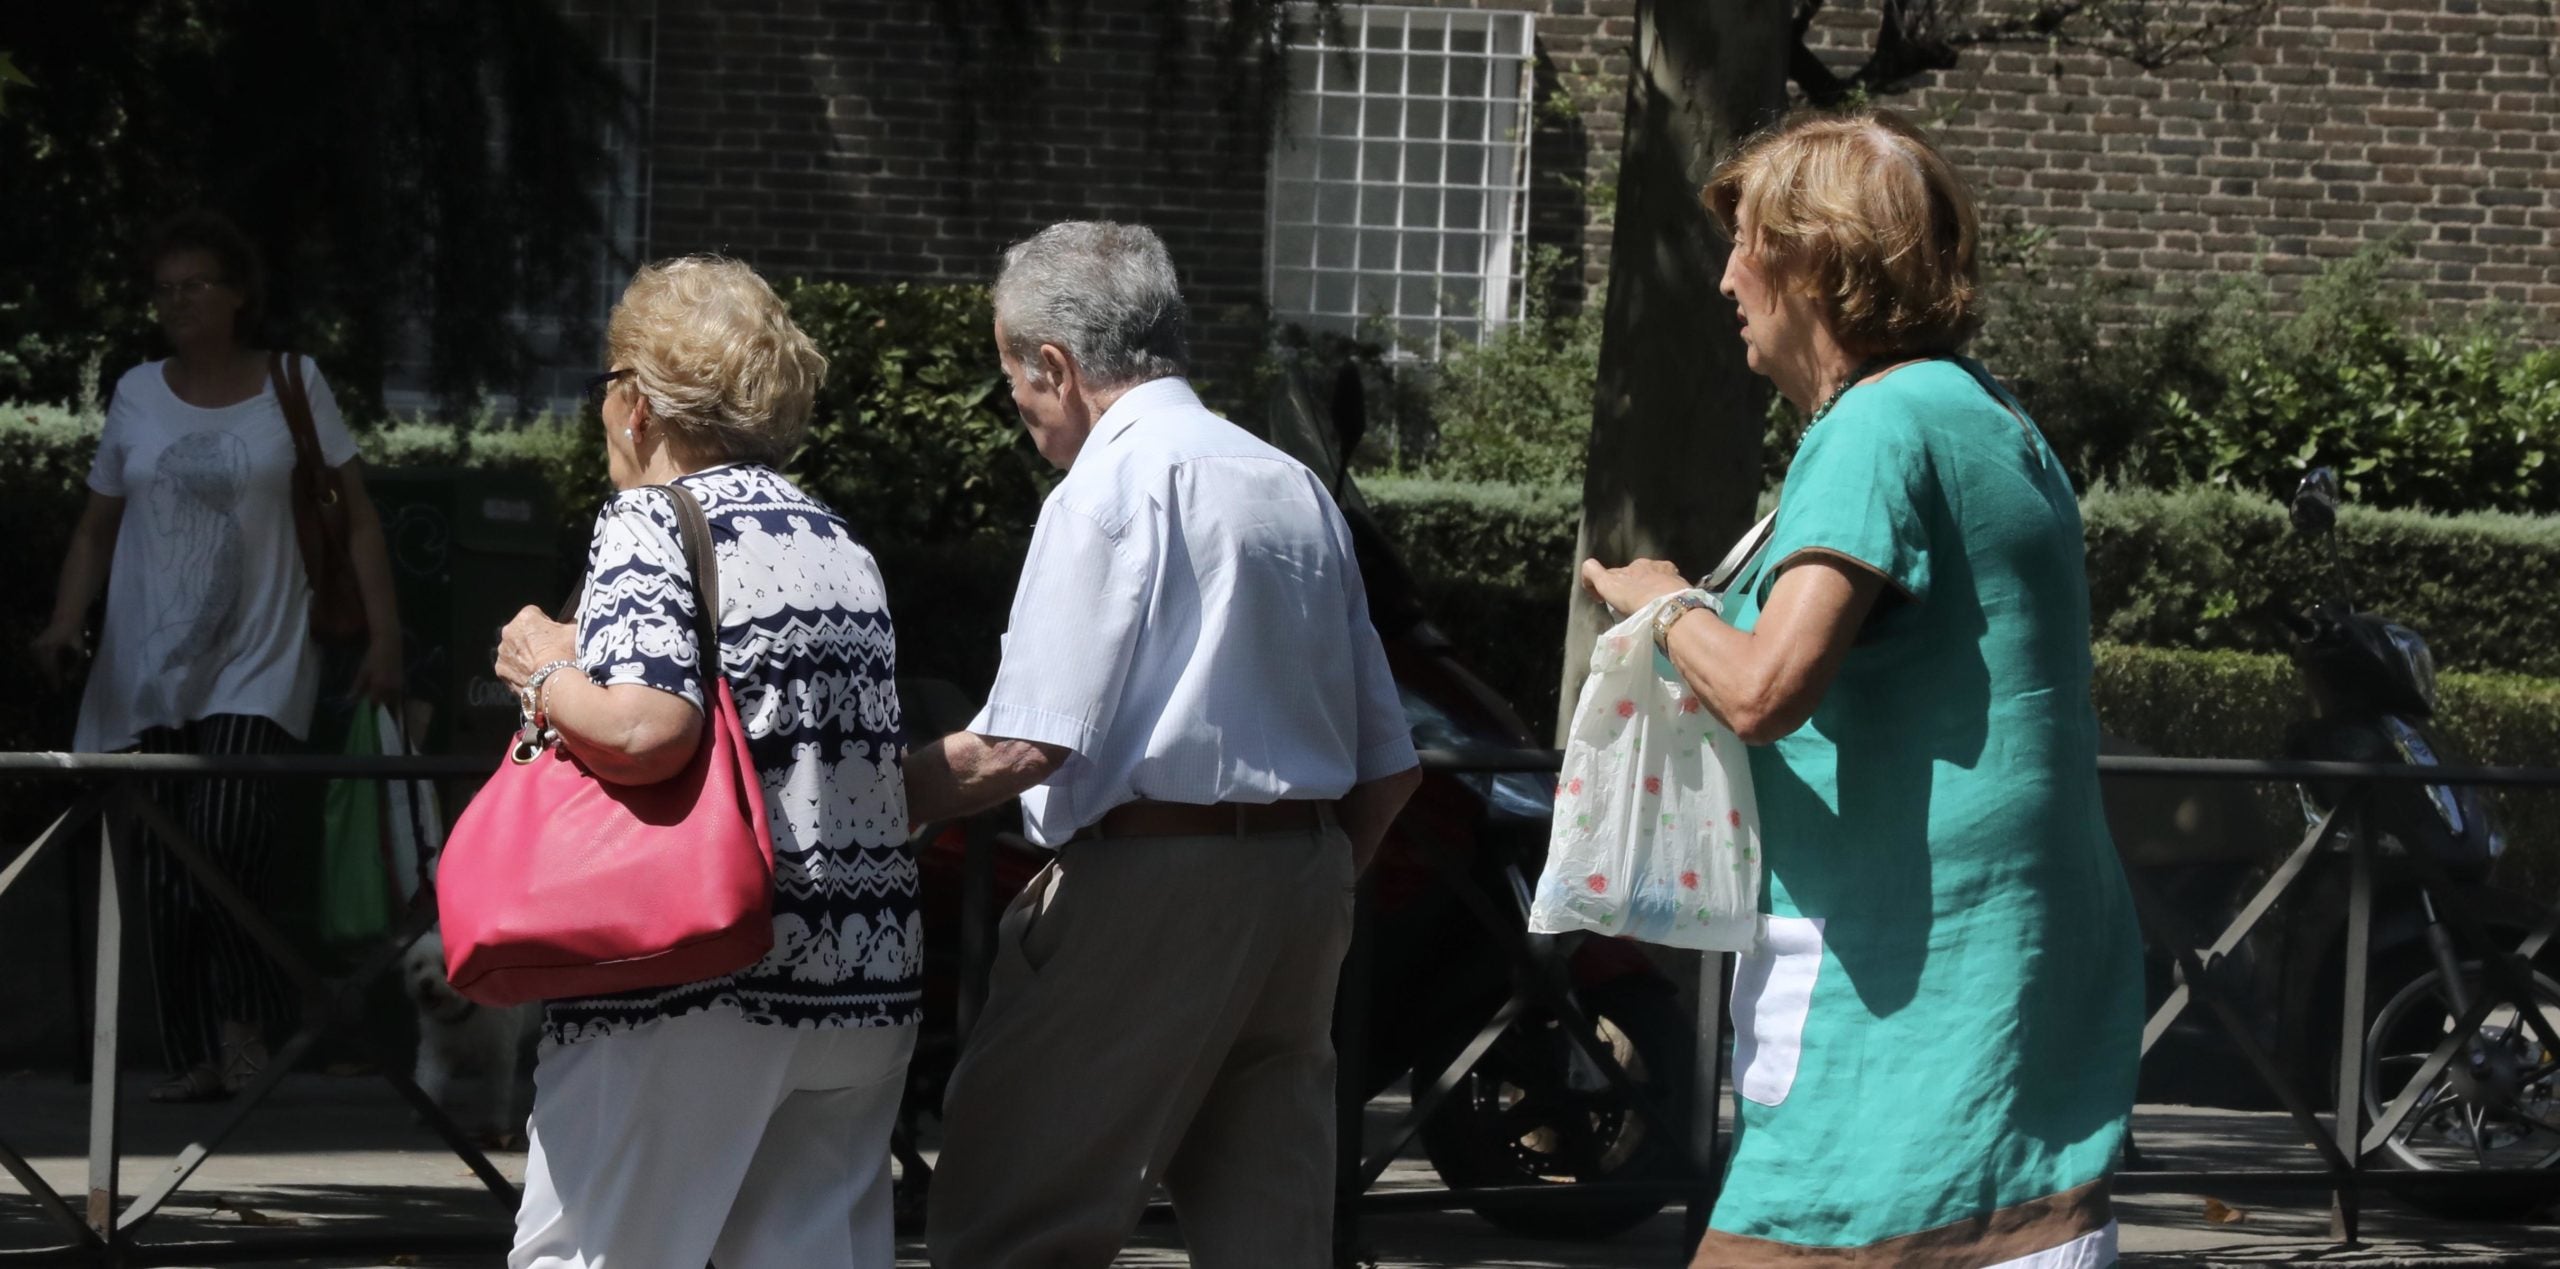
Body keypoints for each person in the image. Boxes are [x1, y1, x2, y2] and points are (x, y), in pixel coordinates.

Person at [1577, 110, 2143, 1266]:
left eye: (1744, 244)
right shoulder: (1986, 418)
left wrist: (1661, 600)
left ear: (1811, 260)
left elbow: (1767, 689)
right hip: (2009, 965)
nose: (1727, 276)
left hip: (1900, 982)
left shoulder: (1873, 428)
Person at [906, 221, 1423, 1268]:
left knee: (1016, 1218)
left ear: (1055, 363)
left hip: (1149, 880)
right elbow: (1393, 764)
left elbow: (1018, 747)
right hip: (1303, 878)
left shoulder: (1106, 488)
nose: (1016, 403)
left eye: (1013, 375)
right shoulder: (1290, 484)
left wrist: (850, 802)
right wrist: (1306, 873)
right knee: (1268, 1235)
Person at [489, 256, 916, 1269]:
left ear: (636, 404)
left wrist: (544, 670)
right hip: (859, 983)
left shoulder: (650, 521)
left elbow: (645, 730)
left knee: (587, 1257)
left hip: (693, 984)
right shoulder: (835, 540)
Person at [30, 210, 403, 1104]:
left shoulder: (292, 383)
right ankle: (197, 1052)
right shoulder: (136, 393)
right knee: (162, 866)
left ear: (240, 294)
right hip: (146, 666)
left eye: (196, 283)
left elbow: (353, 517)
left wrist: (386, 635)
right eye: (164, 288)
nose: (178, 301)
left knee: (227, 835)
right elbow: (96, 525)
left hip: (263, 656)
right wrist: (61, 619)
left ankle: (248, 1026)